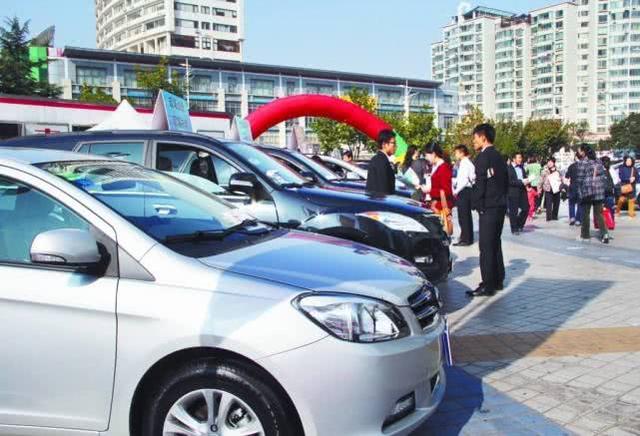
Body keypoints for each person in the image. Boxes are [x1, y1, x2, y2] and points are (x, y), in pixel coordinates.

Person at [468, 123, 508, 298]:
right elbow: (504, 182)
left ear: (483, 137)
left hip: (488, 207)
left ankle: (487, 284)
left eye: (475, 137)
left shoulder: (483, 158)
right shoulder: (499, 156)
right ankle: (498, 279)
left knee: (485, 246)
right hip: (499, 206)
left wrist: (476, 204)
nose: (473, 141)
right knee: (495, 244)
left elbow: (480, 185)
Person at [576, 144, 610, 243]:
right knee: (599, 214)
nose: (578, 152)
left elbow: (579, 179)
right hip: (599, 191)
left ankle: (585, 235)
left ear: (583, 152)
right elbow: (603, 175)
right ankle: (605, 234)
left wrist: (580, 193)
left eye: (579, 150)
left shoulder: (582, 163)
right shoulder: (598, 161)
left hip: (587, 191)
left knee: (585, 214)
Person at [453, 144, 476, 246]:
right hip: (465, 190)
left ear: (462, 153)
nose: (455, 155)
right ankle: (466, 237)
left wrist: (456, 191)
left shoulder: (465, 163)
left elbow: (464, 180)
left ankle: (466, 239)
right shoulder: (465, 162)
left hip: (464, 191)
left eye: (457, 153)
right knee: (465, 216)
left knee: (464, 216)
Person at [423, 142, 454, 213]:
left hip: (441, 208)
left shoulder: (444, 168)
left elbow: (446, 191)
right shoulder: (436, 166)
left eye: (426, 155)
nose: (426, 158)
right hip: (436, 206)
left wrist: (429, 190)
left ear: (433, 154)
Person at [366, 129, 396, 196]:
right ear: (384, 144)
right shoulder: (381, 161)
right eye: (393, 143)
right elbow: (382, 187)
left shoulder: (379, 159)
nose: (395, 146)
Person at [507, 152, 530, 235]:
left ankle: (520, 224)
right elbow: (509, 181)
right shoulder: (509, 169)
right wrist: (521, 182)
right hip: (513, 192)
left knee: (526, 208)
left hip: (522, 190)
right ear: (514, 159)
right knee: (513, 211)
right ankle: (514, 228)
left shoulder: (522, 168)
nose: (520, 159)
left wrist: (528, 181)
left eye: (521, 158)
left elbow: (524, 177)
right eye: (518, 158)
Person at [565, 154, 584, 226]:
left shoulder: (571, 166)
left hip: (572, 186)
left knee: (571, 203)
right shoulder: (583, 166)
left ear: (575, 158)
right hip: (581, 186)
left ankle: (572, 217)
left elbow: (567, 177)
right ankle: (578, 219)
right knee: (580, 203)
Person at [601, 156, 617, 225]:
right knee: (610, 208)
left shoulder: (600, 170)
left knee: (602, 208)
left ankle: (604, 223)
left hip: (602, 192)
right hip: (609, 192)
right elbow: (616, 181)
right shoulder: (612, 170)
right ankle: (610, 222)